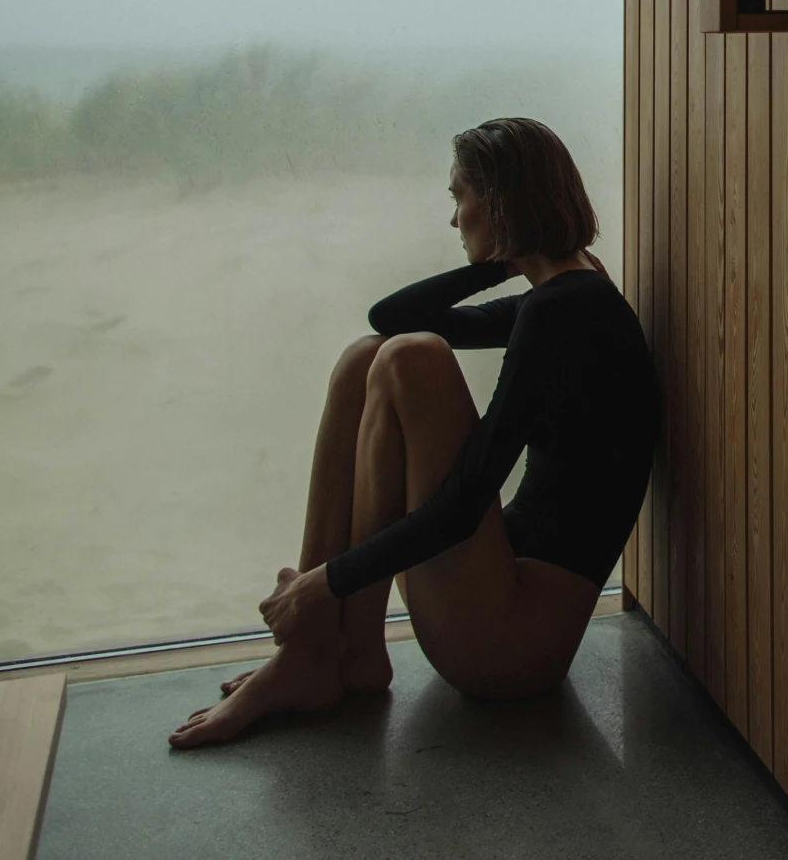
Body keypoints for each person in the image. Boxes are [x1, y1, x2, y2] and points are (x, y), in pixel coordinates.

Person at [170, 117, 658, 749]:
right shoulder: (564, 298)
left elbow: (462, 506)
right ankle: (334, 653)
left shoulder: (564, 310)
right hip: (501, 600)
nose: (455, 220)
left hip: (515, 644)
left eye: (461, 198)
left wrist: (326, 582)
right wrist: (505, 255)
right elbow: (389, 316)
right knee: (364, 356)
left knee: (410, 358)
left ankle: (313, 648)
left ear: (500, 201)